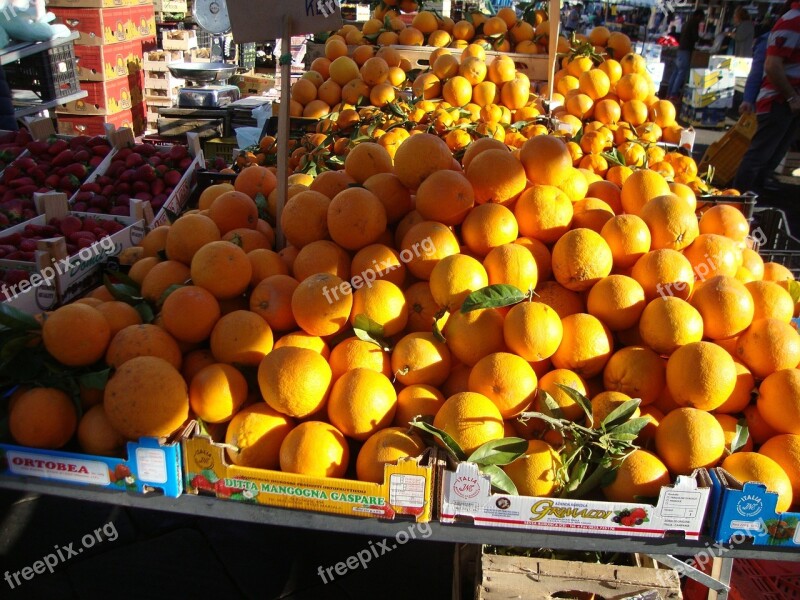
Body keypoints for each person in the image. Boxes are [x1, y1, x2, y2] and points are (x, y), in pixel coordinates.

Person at [734, 1, 800, 194]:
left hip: (789, 101)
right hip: (779, 101)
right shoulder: (793, 21)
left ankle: (754, 199)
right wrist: (791, 97)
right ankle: (737, 201)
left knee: (775, 154)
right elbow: (770, 65)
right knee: (759, 155)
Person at [666, 9, 706, 103]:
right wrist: (702, 40)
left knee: (676, 72)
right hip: (686, 50)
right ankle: (673, 95)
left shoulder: (687, 22)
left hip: (681, 49)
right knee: (681, 72)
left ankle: (669, 93)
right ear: (698, 16)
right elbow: (695, 37)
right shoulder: (694, 23)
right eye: (701, 18)